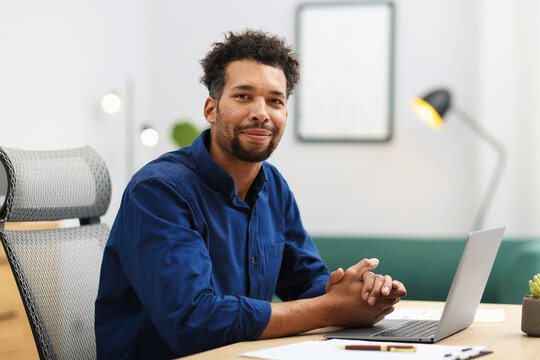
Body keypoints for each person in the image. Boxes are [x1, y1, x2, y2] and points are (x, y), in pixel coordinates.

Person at [95, 29, 406, 359]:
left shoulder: (273, 186)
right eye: (244, 96)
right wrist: (332, 309)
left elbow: (306, 282)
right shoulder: (159, 191)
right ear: (211, 109)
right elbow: (194, 322)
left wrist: (359, 293)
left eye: (275, 100)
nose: (262, 112)